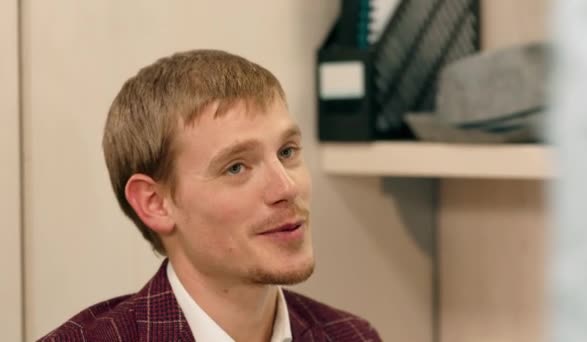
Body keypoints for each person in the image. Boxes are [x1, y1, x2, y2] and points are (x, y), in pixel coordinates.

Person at [39, 50, 382, 342]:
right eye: (236, 168)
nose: (287, 188)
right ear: (154, 203)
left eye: (287, 152)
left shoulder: (352, 336)